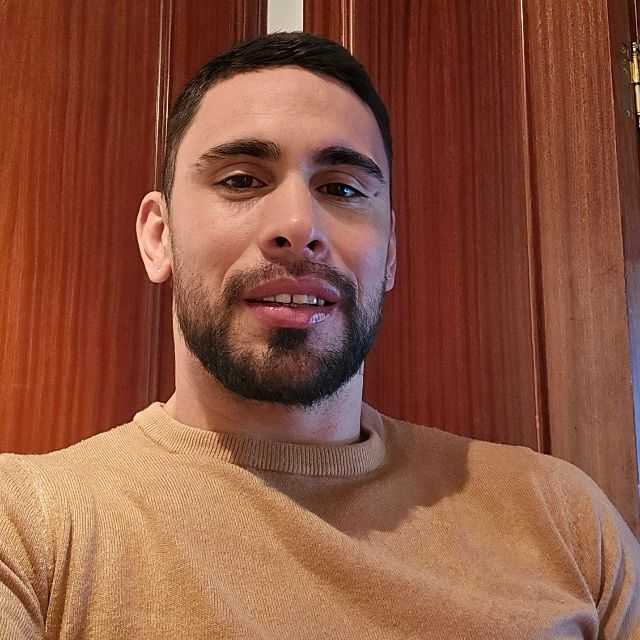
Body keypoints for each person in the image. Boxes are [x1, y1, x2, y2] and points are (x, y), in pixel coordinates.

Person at [1, 31, 639, 640]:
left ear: (390, 255)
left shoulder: (562, 517)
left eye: (341, 188)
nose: (298, 226)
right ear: (159, 237)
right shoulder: (30, 527)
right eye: (241, 180)